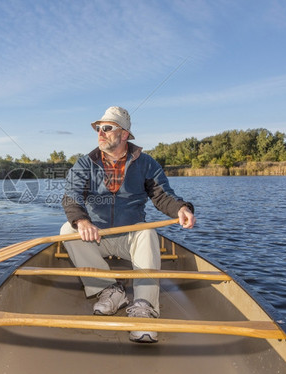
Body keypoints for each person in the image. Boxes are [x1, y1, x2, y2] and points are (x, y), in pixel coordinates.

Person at [61, 106, 196, 343]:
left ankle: (144, 308)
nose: (100, 133)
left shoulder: (146, 163)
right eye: (98, 129)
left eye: (107, 128)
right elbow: (70, 197)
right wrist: (82, 221)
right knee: (67, 229)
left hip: (130, 238)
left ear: (124, 134)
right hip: (96, 237)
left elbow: (163, 196)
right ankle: (110, 290)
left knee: (147, 231)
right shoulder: (85, 164)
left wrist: (181, 208)